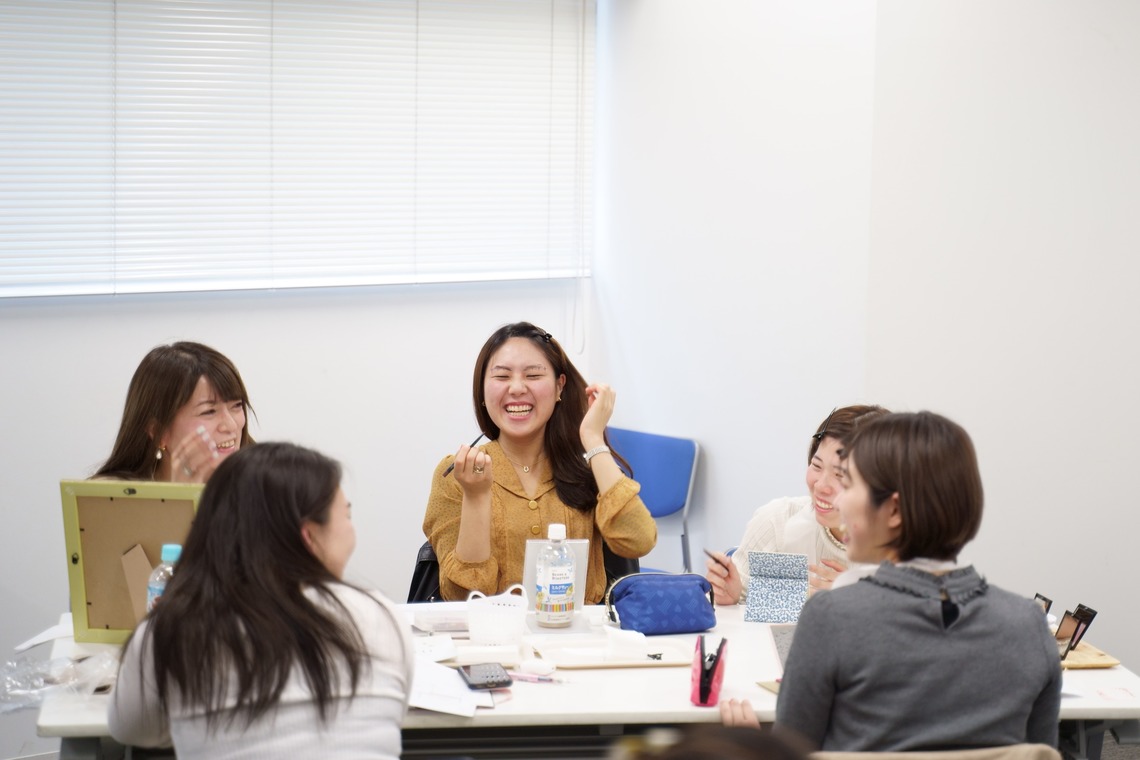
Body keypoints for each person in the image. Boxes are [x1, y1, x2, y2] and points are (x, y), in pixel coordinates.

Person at [722, 412, 1062, 752]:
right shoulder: (1029, 626)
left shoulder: (830, 618)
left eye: (849, 483)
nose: (836, 499)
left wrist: (757, 747)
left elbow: (795, 752)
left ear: (894, 510)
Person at [108, 443, 413, 758]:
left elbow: (131, 730)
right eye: (346, 516)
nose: (352, 531)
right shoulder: (383, 618)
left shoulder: (171, 628)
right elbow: (390, 717)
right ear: (309, 537)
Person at [422, 321, 657, 604]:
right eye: (502, 377)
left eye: (533, 375)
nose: (517, 388)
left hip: (581, 641)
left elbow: (639, 540)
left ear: (560, 387)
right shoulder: (457, 474)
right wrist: (476, 497)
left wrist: (593, 439)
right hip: (494, 641)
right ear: (483, 390)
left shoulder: (587, 467)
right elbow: (463, 597)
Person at [705, 405, 888, 605]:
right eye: (817, 466)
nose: (821, 486)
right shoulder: (779, 522)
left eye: (841, 475)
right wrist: (734, 594)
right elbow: (752, 598)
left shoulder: (904, 547)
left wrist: (863, 602)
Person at [95, 341, 254, 483]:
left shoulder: (264, 486)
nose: (231, 425)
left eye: (237, 406)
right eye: (209, 411)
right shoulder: (108, 496)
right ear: (158, 431)